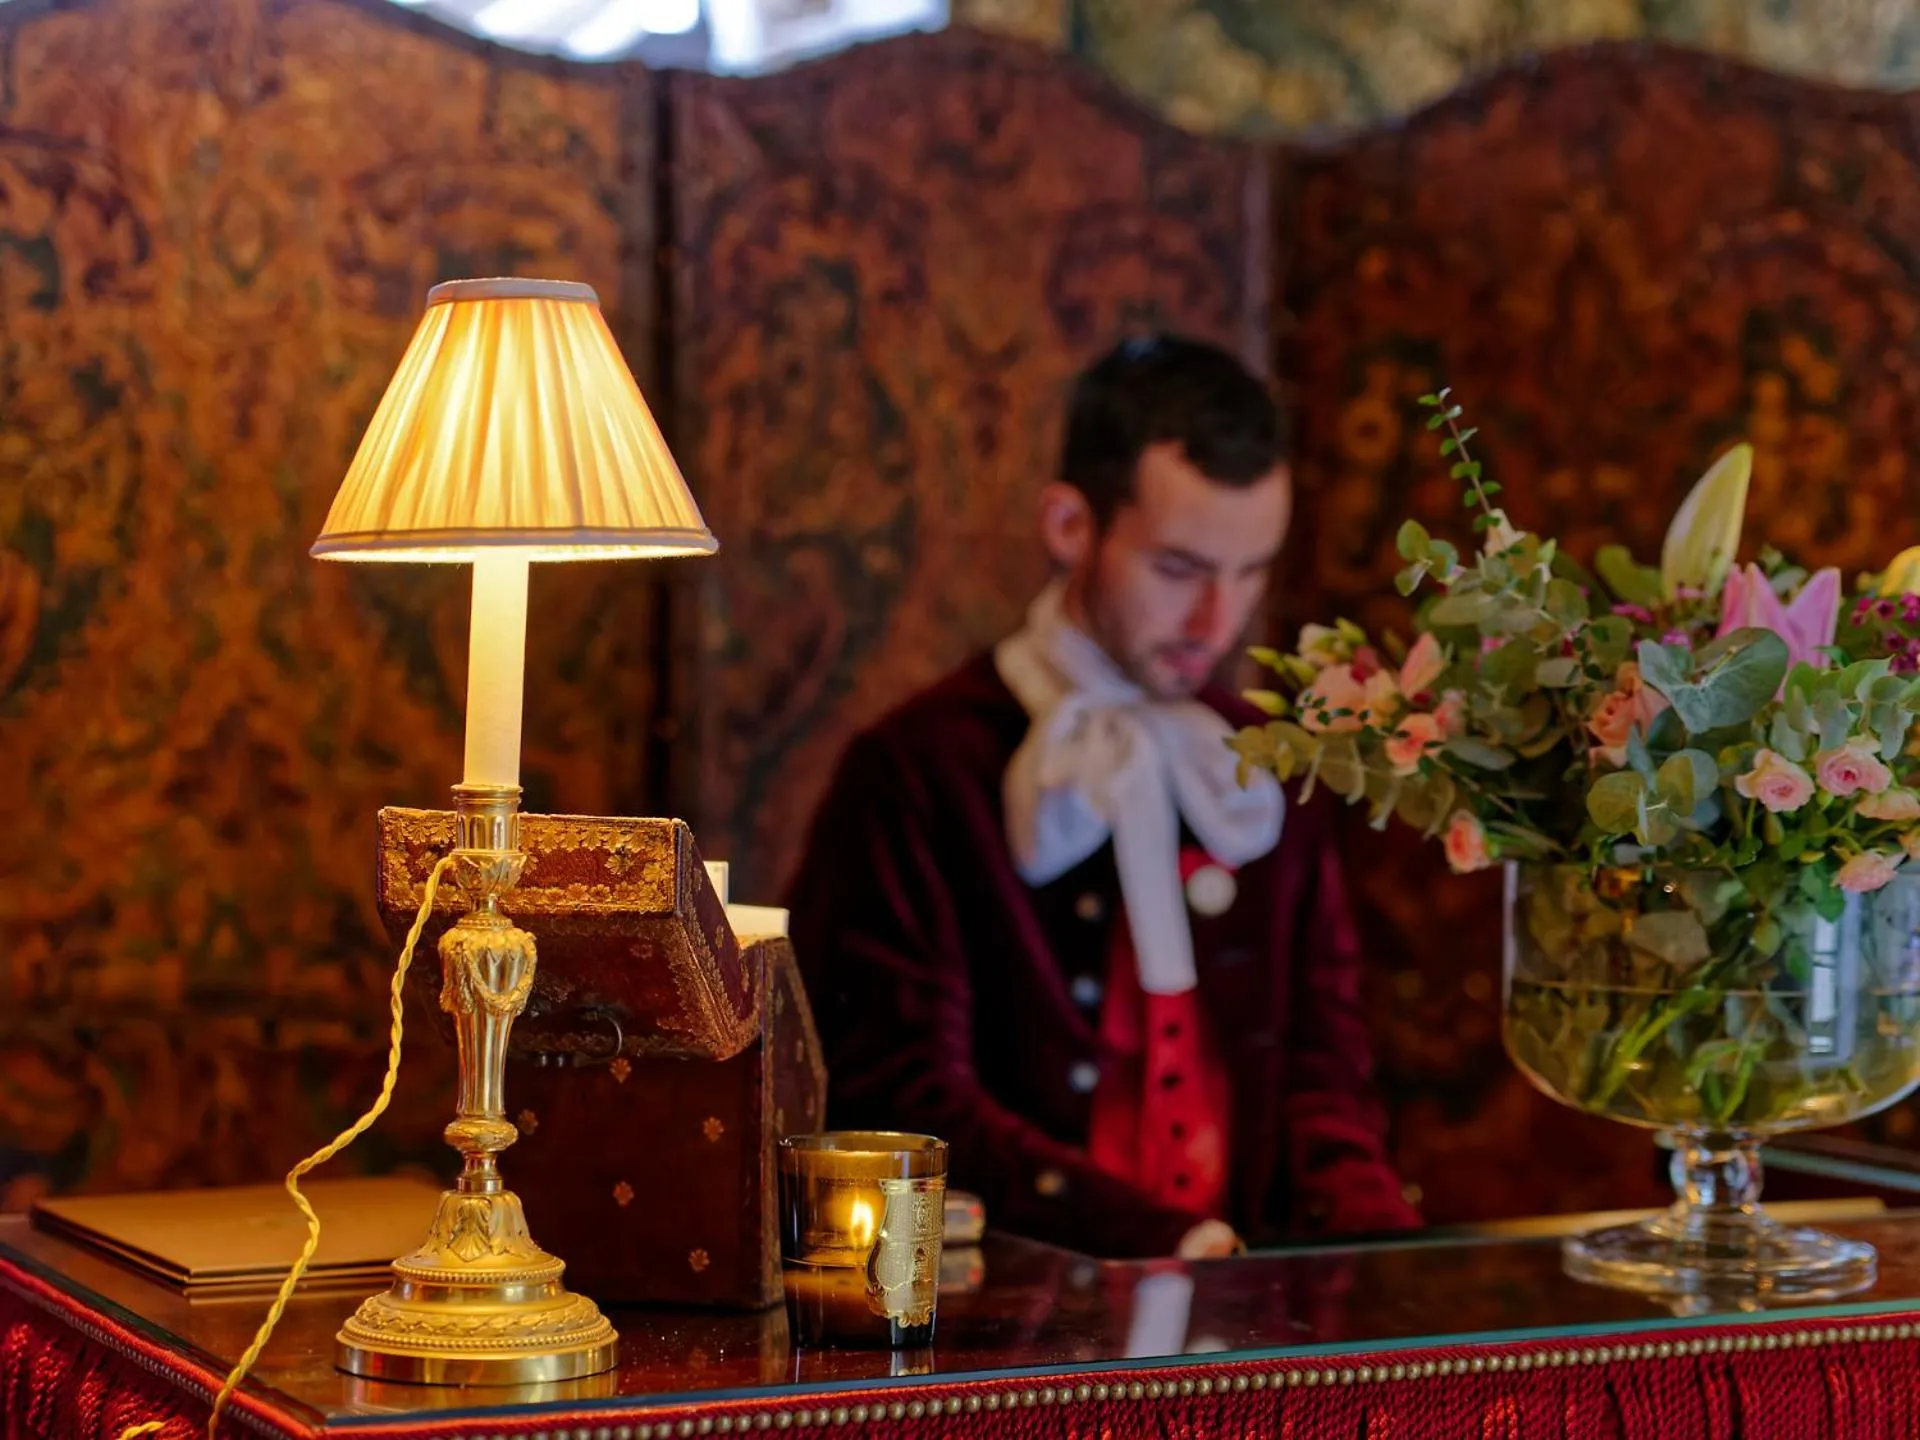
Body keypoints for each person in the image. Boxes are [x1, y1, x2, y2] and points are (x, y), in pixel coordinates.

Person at [786, 334, 1418, 1259]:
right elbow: (898, 1102)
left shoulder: (1270, 764)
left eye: (1251, 571)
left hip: (1252, 1308)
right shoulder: (916, 770)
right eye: (1179, 569)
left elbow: (1328, 1083)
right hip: (1007, 1312)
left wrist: (1388, 1271)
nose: (1217, 621)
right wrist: (1164, 1241)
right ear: (1069, 525)